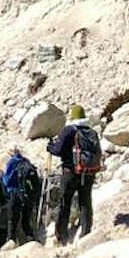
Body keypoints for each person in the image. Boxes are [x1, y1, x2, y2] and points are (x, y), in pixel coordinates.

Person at [46, 105, 102, 244]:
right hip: (88, 172)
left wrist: (50, 146)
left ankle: (62, 236)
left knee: (65, 202)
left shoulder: (69, 130)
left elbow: (58, 150)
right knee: (85, 201)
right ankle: (86, 232)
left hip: (70, 172)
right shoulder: (91, 132)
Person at [3, 149, 43, 244]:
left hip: (16, 195)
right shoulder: (26, 162)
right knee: (26, 221)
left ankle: (11, 242)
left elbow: (6, 181)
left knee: (12, 221)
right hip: (29, 196)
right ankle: (31, 239)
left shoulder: (12, 163)